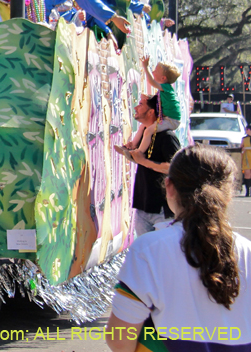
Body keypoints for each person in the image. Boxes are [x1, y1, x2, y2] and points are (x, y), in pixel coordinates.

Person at [106, 145, 251, 352]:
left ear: (169, 187)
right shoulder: (248, 251)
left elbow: (119, 339)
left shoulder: (148, 250)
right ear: (228, 195)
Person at [114, 94, 181, 236]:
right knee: (144, 248)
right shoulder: (144, 134)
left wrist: (143, 161)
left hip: (163, 210)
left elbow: (175, 169)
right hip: (143, 206)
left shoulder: (167, 137)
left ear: (151, 112)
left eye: (141, 104)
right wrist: (130, 153)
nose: (136, 108)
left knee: (162, 248)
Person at [242, 125, 251, 197]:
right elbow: (241, 147)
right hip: (247, 158)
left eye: (246, 129)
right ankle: (247, 191)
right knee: (247, 174)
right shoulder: (244, 139)